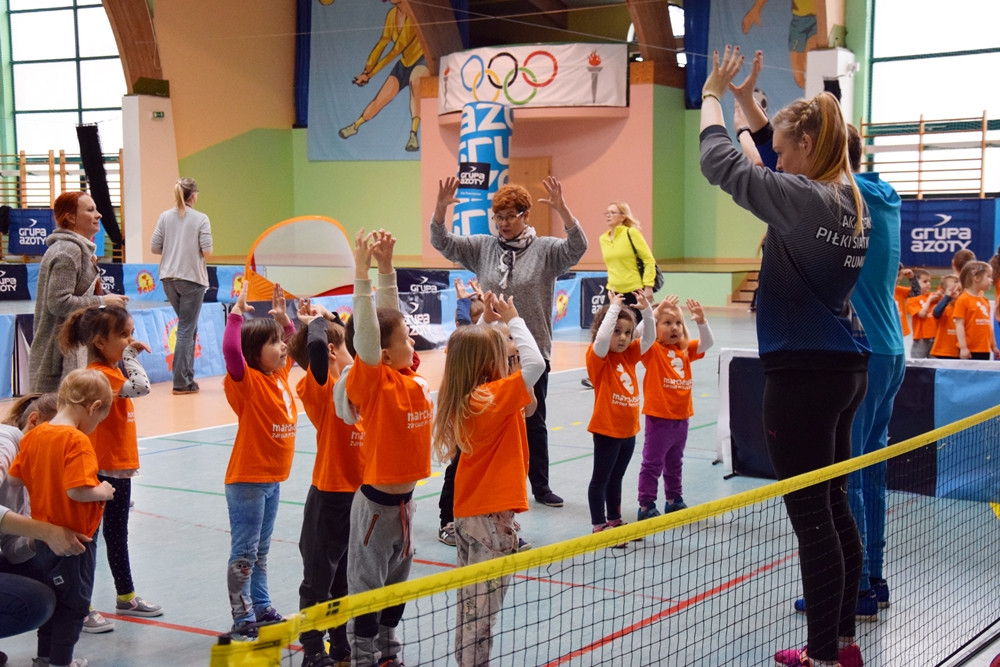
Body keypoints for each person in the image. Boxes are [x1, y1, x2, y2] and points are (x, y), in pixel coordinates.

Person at [701, 46, 869, 667]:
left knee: (812, 520)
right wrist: (751, 109)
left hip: (801, 374)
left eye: (784, 144)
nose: (775, 152)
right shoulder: (848, 199)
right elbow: (761, 165)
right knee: (834, 506)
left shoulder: (803, 199)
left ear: (804, 145)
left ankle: (823, 653)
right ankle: (844, 641)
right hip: (843, 367)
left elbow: (724, 163)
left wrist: (713, 95)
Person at [431, 176, 588, 508]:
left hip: (530, 354)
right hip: (488, 353)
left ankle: (539, 487)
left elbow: (577, 248)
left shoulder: (546, 250)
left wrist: (563, 210)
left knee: (533, 422)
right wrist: (441, 208)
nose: (503, 223)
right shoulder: (483, 248)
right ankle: (457, 500)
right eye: (498, 217)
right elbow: (442, 241)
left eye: (510, 216)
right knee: (477, 423)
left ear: (525, 215)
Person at [432, 293, 544, 667]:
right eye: (503, 352)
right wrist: (515, 320)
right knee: (481, 616)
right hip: (488, 522)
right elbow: (536, 364)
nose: (510, 356)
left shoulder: (476, 394)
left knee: (472, 611)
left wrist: (491, 324)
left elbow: (471, 351)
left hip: (472, 516)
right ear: (486, 364)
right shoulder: (490, 398)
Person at [341, 228, 432, 667]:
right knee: (366, 590)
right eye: (406, 340)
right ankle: (362, 654)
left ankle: (388, 651)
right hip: (376, 509)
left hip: (406, 508)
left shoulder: (409, 379)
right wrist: (362, 274)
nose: (412, 342)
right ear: (384, 353)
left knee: (397, 589)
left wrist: (386, 269)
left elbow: (389, 321)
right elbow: (369, 334)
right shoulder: (376, 381)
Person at [60, 305, 162, 626]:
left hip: (119, 469)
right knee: (86, 539)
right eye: (124, 335)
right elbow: (143, 386)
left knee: (117, 535)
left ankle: (126, 596)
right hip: (98, 470)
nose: (131, 340)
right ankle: (81, 605)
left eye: (132, 332)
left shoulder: (113, 372)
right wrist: (132, 356)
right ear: (100, 342)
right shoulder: (100, 376)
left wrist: (127, 354)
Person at [8, 368, 116, 667]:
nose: (95, 427)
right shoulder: (77, 441)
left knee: (54, 600)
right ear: (93, 408)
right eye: (99, 420)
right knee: (74, 605)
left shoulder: (35, 436)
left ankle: (45, 656)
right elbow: (78, 492)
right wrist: (102, 490)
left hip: (43, 540)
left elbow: (15, 480)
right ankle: (60, 661)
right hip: (74, 541)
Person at [287, 300, 367, 667]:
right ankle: (312, 648)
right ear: (335, 351)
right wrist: (318, 320)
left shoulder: (359, 390)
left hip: (360, 502)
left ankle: (340, 643)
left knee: (344, 583)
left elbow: (359, 337)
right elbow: (317, 347)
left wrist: (336, 319)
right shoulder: (321, 390)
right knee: (317, 583)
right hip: (328, 500)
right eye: (346, 347)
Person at [222, 281, 297, 638]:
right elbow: (231, 353)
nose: (282, 347)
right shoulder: (246, 381)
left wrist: (286, 322)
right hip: (248, 481)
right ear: (253, 353)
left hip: (272, 482)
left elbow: (295, 349)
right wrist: (235, 317)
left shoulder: (278, 375)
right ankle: (242, 614)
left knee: (261, 551)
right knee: (245, 553)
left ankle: (262, 604)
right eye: (273, 342)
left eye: (280, 341)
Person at [29, 191, 128, 393]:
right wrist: (102, 301)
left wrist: (106, 300)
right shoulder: (68, 251)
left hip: (69, 349)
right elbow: (58, 303)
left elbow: (81, 294)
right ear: (71, 217)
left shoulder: (79, 250)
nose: (99, 215)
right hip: (56, 357)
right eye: (90, 210)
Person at [585, 290, 654, 537]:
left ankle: (614, 520)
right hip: (607, 430)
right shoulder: (598, 358)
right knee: (600, 479)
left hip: (628, 431)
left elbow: (648, 339)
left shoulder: (628, 355)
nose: (623, 338)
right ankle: (598, 525)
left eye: (627, 333)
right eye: (617, 332)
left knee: (617, 478)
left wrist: (647, 310)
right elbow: (602, 340)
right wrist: (613, 308)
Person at [637, 296, 713, 519]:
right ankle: (646, 504)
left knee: (675, 462)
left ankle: (674, 500)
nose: (674, 328)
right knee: (652, 463)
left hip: (682, 417)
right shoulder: (652, 350)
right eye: (667, 323)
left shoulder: (685, 351)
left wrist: (701, 321)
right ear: (656, 327)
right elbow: (640, 333)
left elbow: (707, 344)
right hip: (659, 418)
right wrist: (653, 312)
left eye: (678, 323)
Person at [150, 177, 214, 395]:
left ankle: (187, 377)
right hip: (192, 279)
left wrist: (173, 248)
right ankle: (181, 382)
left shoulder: (165, 217)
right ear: (193, 195)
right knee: (186, 329)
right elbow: (207, 250)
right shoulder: (201, 218)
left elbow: (154, 247)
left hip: (168, 278)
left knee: (188, 327)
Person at [598, 202, 656, 305]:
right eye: (607, 213)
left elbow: (648, 260)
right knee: (608, 320)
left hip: (634, 291)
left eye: (613, 212)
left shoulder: (631, 233)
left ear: (623, 217)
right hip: (613, 291)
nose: (608, 215)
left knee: (636, 321)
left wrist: (648, 286)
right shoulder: (603, 239)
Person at [953, 261, 998, 360]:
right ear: (977, 278)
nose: (991, 280)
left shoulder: (985, 300)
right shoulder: (963, 299)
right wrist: (963, 347)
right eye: (988, 276)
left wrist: (993, 345)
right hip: (970, 350)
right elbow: (959, 325)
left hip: (984, 349)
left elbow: (988, 325)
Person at [907, 269, 941, 359]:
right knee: (917, 363)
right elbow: (922, 314)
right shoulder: (912, 300)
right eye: (925, 281)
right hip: (921, 338)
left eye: (929, 281)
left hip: (935, 337)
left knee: (935, 364)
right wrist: (929, 300)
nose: (928, 284)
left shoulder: (933, 296)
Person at [930, 275, 962, 359]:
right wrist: (947, 297)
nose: (955, 293)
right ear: (943, 292)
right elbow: (936, 313)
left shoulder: (962, 307)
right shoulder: (943, 308)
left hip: (959, 350)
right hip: (944, 351)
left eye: (958, 290)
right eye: (951, 290)